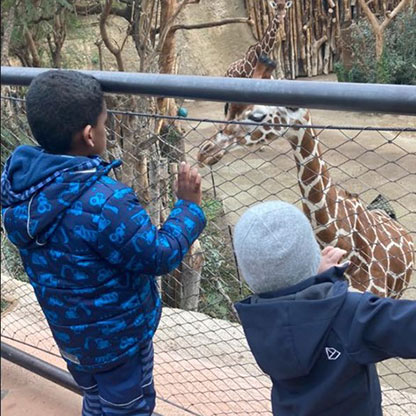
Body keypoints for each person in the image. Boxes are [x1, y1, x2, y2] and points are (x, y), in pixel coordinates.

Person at [1, 70, 206, 416]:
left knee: (95, 396)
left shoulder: (21, 187)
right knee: (130, 407)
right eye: (104, 123)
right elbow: (158, 255)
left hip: (71, 339)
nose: (106, 129)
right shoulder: (105, 203)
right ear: (88, 135)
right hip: (119, 342)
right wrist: (188, 207)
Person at [232, 200, 416, 416]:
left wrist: (314, 277)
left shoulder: (258, 318)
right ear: (312, 253)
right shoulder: (351, 314)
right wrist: (335, 289)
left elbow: (294, 307)